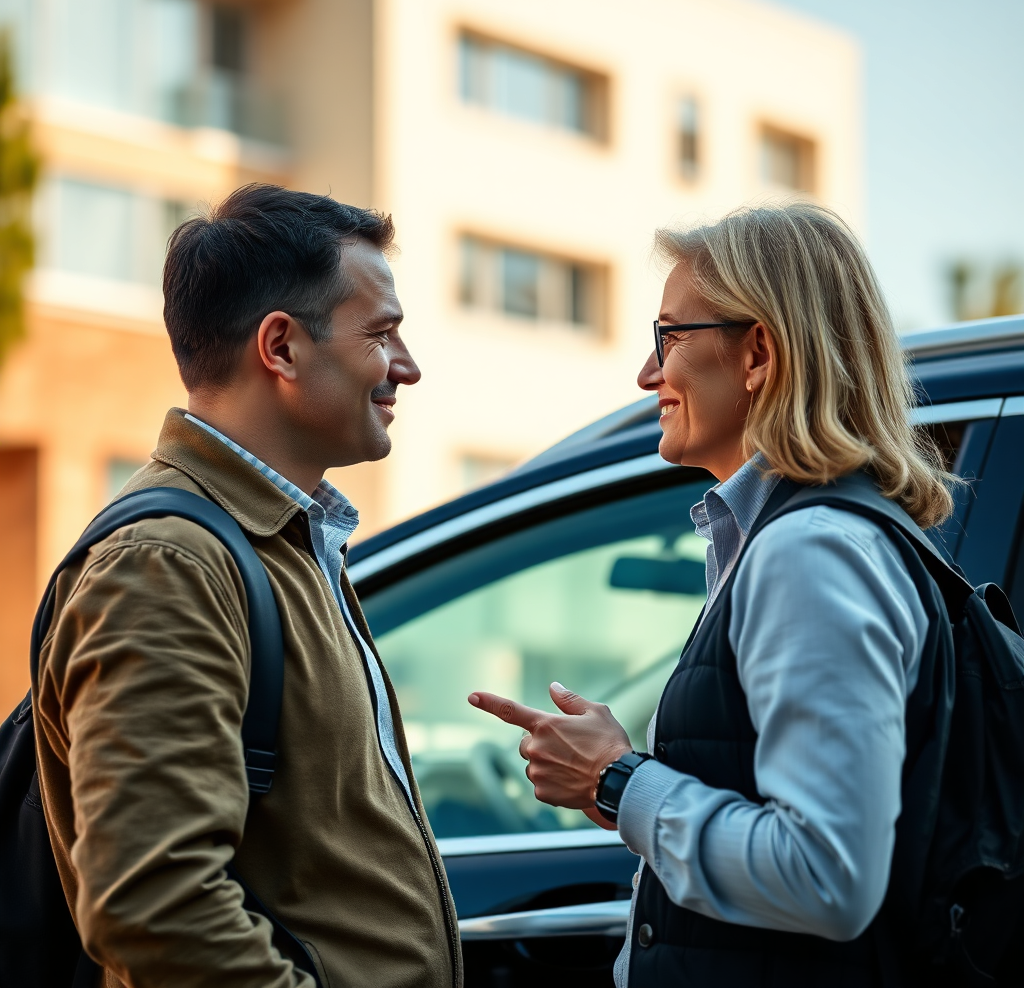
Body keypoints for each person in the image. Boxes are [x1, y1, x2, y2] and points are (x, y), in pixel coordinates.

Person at [469, 202, 957, 986]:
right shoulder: (788, 539)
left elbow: (826, 876)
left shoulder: (810, 551)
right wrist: (614, 788)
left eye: (670, 336)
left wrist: (618, 777)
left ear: (758, 351)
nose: (646, 372)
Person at [33, 184, 461, 988]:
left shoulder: (278, 542)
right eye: (381, 335)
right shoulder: (169, 564)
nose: (406, 367)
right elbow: (154, 909)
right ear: (282, 347)